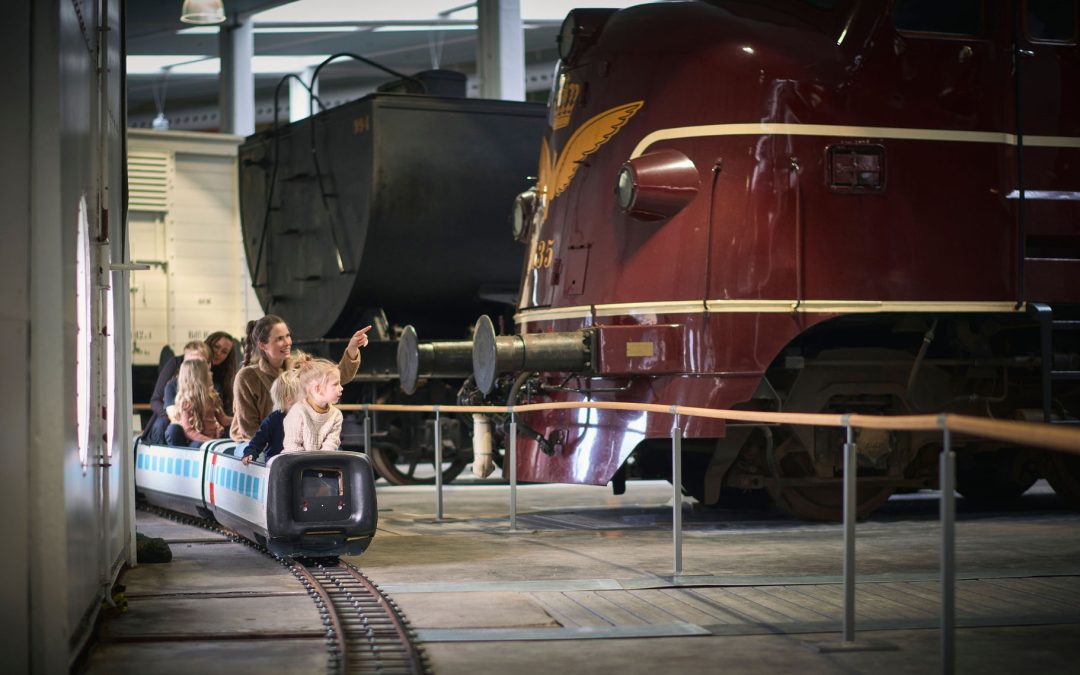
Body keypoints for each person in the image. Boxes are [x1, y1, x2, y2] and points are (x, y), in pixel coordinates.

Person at [229, 315, 371, 442]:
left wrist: (352, 348)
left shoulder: (300, 366)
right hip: (256, 448)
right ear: (262, 345)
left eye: (287, 336)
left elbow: (337, 377)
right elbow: (249, 429)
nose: (287, 342)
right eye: (279, 338)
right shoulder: (246, 377)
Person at [142, 340, 210, 444]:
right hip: (172, 416)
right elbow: (156, 400)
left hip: (197, 423)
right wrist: (171, 415)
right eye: (190, 362)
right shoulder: (173, 384)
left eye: (199, 363)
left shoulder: (211, 385)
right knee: (166, 426)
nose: (194, 366)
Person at [164, 359, 233, 446]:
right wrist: (210, 441)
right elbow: (188, 431)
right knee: (198, 445)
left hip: (212, 440)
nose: (211, 374)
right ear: (199, 378)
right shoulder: (186, 402)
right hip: (198, 441)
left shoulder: (212, 397)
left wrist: (239, 419)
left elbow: (224, 420)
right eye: (208, 371)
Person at [282, 358, 344, 454]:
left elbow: (330, 446)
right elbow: (292, 448)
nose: (341, 388)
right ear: (318, 388)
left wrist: (319, 466)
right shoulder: (298, 411)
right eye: (335, 384)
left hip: (321, 464)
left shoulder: (336, 415)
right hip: (295, 463)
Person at [241, 369, 300, 465]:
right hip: (275, 465)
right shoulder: (273, 420)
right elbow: (257, 441)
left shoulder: (307, 418)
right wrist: (250, 453)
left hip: (298, 464)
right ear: (289, 400)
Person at [204, 331, 239, 415]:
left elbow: (226, 412)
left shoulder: (224, 380)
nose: (218, 353)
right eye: (216, 347)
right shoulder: (178, 362)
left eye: (224, 352)